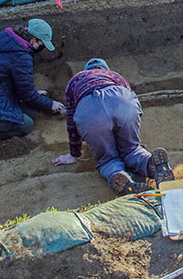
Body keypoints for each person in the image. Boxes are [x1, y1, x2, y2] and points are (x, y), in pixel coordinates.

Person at [53, 58, 174, 195]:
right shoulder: (114, 76)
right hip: (122, 101)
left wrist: (74, 154)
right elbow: (135, 111)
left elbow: (71, 120)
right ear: (106, 69)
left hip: (90, 109)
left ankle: (121, 177)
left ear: (87, 71)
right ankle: (152, 165)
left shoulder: (75, 80)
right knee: (131, 150)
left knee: (108, 159)